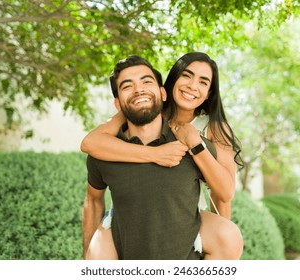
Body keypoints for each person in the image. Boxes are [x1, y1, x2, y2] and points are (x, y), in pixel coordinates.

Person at [82, 53, 243, 260]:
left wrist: (195, 144)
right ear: (170, 83)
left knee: (226, 235)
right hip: (127, 215)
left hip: (182, 214)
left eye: (203, 82)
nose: (193, 86)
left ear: (209, 93)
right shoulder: (144, 106)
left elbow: (224, 194)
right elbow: (90, 143)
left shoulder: (212, 128)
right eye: (187, 76)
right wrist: (155, 154)